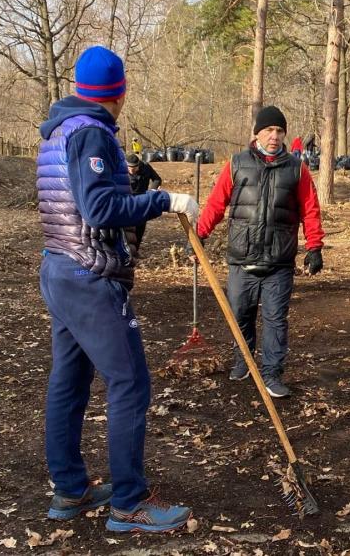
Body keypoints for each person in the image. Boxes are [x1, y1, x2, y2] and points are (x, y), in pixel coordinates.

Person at [37, 45, 198, 533]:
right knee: (130, 382)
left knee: (70, 382)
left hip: (59, 266)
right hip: (88, 276)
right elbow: (100, 210)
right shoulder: (91, 133)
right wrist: (165, 199)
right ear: (119, 92)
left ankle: (70, 489)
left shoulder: (59, 129)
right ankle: (129, 503)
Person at [196, 105, 325, 398]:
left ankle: (272, 373)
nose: (275, 136)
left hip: (279, 260)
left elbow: (310, 210)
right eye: (269, 130)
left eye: (280, 131)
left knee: (276, 319)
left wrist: (314, 246)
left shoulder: (296, 169)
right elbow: (217, 203)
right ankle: (243, 359)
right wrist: (200, 233)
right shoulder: (237, 163)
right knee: (240, 314)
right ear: (257, 134)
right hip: (242, 258)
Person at [126, 154, 163, 248]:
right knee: (127, 227)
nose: (131, 170)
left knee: (140, 226)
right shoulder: (120, 169)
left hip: (143, 199)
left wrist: (152, 191)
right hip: (127, 200)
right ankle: (127, 249)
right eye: (129, 168)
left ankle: (136, 248)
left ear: (138, 165)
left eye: (134, 168)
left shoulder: (146, 167)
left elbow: (156, 179)